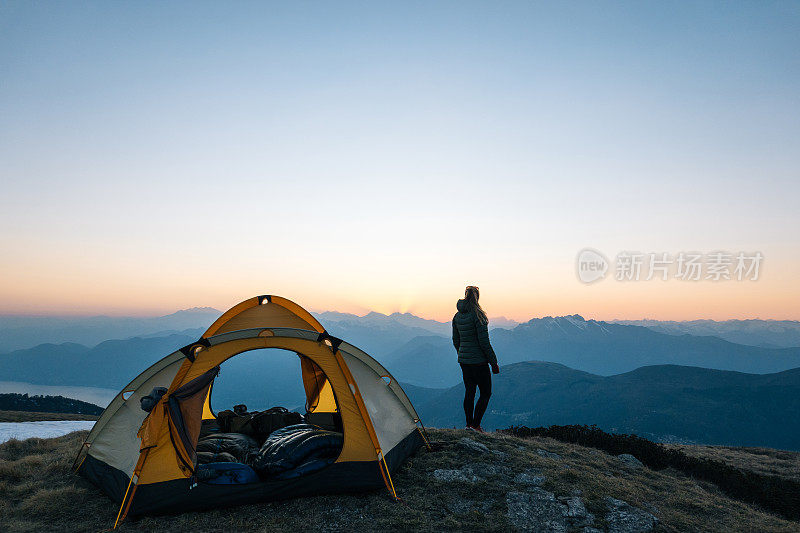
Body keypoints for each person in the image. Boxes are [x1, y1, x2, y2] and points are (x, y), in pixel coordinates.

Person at [452, 285, 499, 433]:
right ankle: (476, 425)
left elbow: (455, 339)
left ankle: (468, 424)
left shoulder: (457, 316)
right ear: (477, 297)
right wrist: (493, 362)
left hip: (464, 361)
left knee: (469, 392)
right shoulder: (479, 315)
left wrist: (461, 353)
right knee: (485, 393)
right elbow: (484, 342)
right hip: (479, 362)